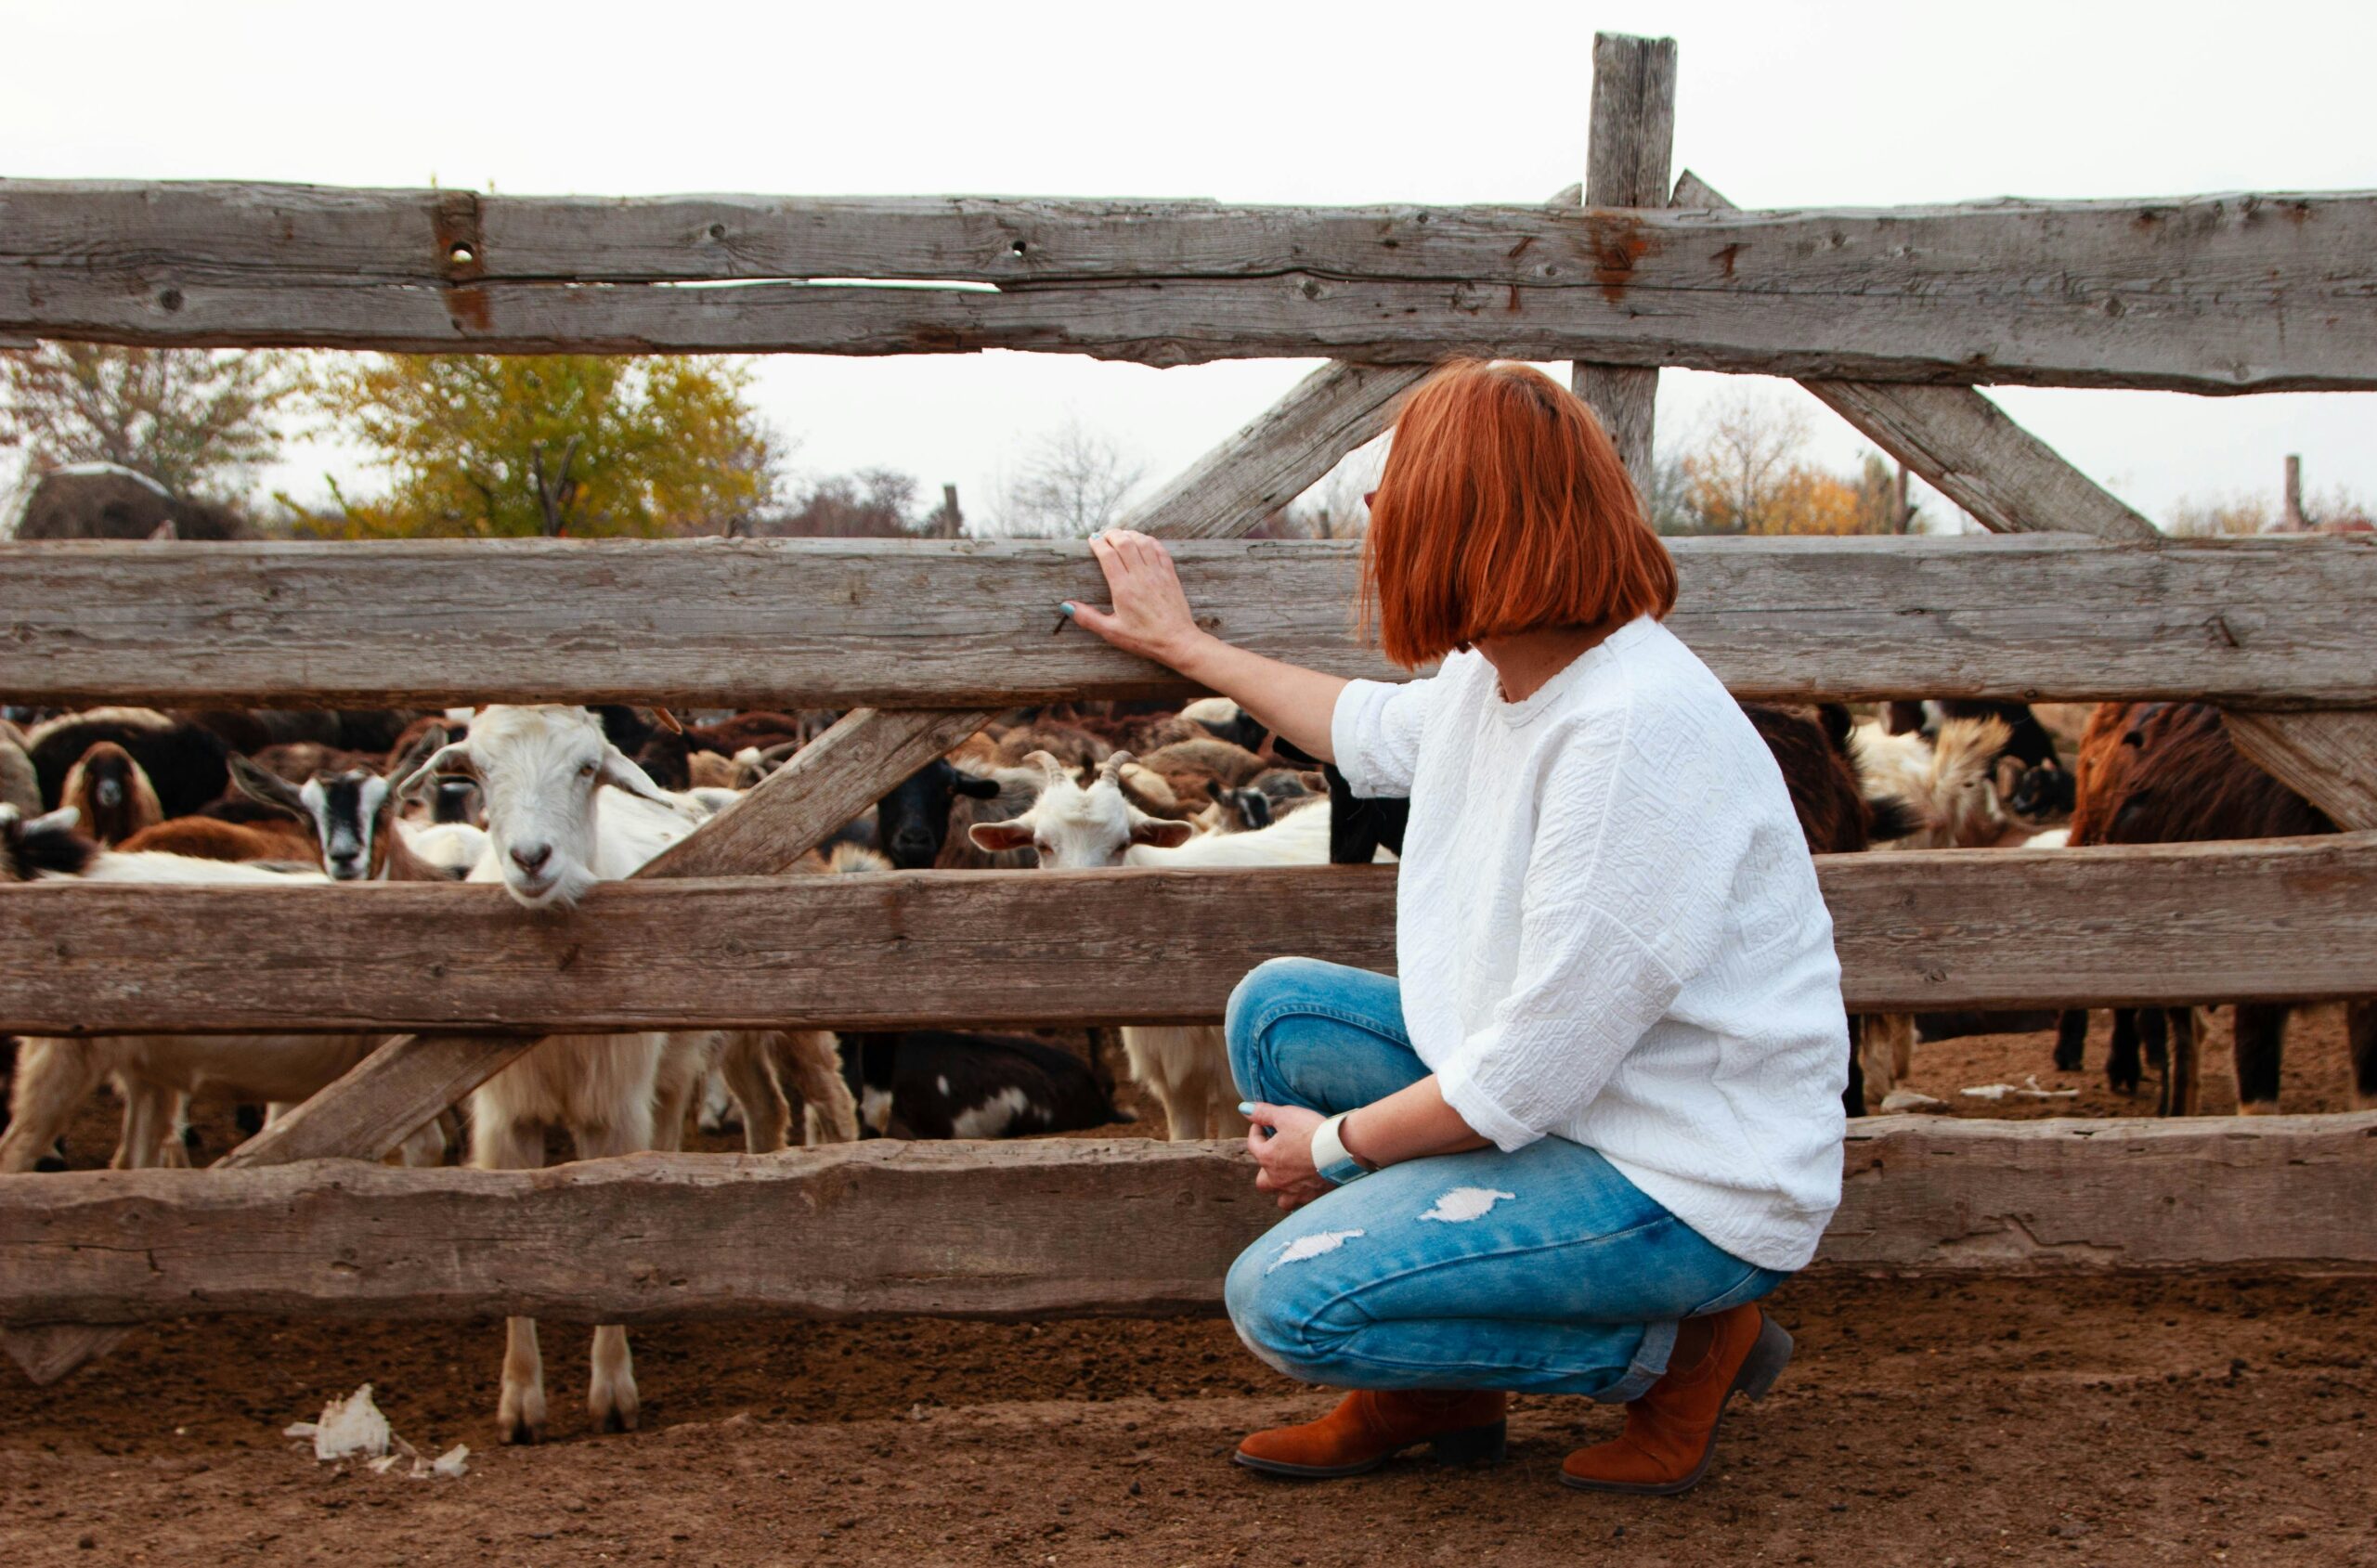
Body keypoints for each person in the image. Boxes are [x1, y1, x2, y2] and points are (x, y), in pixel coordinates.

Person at [1057, 359, 1846, 1496]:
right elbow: (1361, 724)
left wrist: (1332, 1148)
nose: (1376, 511)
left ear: (1472, 521)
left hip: (1681, 1174)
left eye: (1400, 485)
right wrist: (1184, 648)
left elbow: (1529, 1073)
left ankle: (1682, 1353)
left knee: (1286, 1304)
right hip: (1585, 1104)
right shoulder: (1508, 673)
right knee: (1282, 1014)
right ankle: (1440, 1392)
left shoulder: (1628, 735)